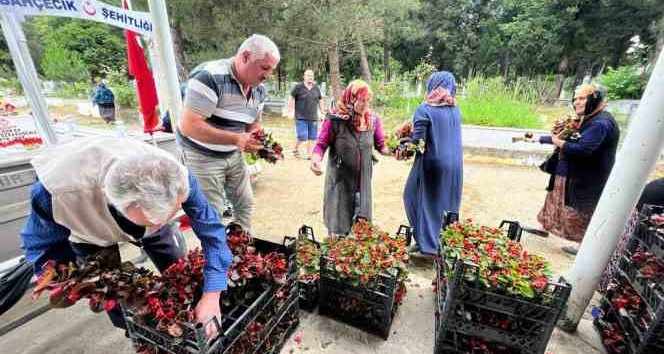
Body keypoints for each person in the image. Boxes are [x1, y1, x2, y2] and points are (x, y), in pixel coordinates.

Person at [20, 137, 232, 335]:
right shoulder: (57, 194)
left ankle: (182, 320)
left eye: (166, 216)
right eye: (150, 220)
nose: (159, 224)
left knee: (175, 265)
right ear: (118, 203)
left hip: (144, 201)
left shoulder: (178, 178)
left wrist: (212, 294)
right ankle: (139, 334)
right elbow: (42, 246)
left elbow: (212, 233)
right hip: (88, 231)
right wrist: (67, 280)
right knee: (114, 293)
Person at [177, 34, 280, 232]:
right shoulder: (209, 77)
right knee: (211, 213)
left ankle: (241, 249)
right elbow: (189, 125)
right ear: (245, 57)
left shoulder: (259, 90)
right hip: (201, 156)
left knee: (246, 203)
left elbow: (254, 124)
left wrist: (262, 146)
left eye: (272, 70)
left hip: (232, 153)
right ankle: (218, 258)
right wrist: (235, 139)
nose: (268, 75)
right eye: (265, 68)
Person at [535, 83, 620, 255]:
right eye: (575, 99)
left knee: (582, 210)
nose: (577, 103)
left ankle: (584, 247)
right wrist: (540, 138)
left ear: (596, 99)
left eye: (582, 98)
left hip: (587, 178)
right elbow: (570, 137)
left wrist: (558, 142)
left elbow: (583, 149)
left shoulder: (601, 123)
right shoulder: (589, 119)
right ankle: (543, 226)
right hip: (569, 172)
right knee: (554, 199)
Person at [310, 80, 392, 237]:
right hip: (340, 182)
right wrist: (316, 159)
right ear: (351, 98)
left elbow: (382, 146)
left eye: (368, 100)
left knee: (362, 230)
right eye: (362, 100)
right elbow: (321, 144)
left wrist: (396, 151)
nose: (365, 104)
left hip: (363, 184)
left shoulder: (372, 120)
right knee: (338, 228)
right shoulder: (335, 119)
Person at [401, 71, 463, 256]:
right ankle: (442, 244)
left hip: (432, 164)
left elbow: (418, 143)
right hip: (455, 166)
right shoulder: (454, 108)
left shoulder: (425, 109)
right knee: (445, 204)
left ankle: (425, 244)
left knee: (412, 196)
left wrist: (402, 142)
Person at [599, 177, 664, 292]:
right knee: (634, 256)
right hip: (645, 219)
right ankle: (614, 283)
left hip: (643, 215)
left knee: (629, 254)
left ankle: (612, 282)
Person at [288, 69, 325, 159]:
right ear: (304, 77)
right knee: (302, 135)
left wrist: (322, 112)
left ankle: (309, 154)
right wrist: (290, 110)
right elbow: (291, 97)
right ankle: (295, 149)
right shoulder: (298, 87)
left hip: (313, 117)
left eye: (312, 76)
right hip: (300, 117)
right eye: (308, 75)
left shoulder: (316, 88)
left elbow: (320, 99)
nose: (310, 77)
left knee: (312, 137)